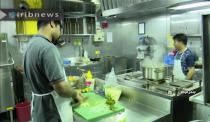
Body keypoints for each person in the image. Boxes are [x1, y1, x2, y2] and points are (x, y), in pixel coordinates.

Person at [23, 20, 83, 122]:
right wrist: (75, 94)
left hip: (39, 110)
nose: (59, 34)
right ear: (52, 24)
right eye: (59, 29)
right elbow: (61, 88)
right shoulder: (48, 48)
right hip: (52, 110)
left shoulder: (30, 45)